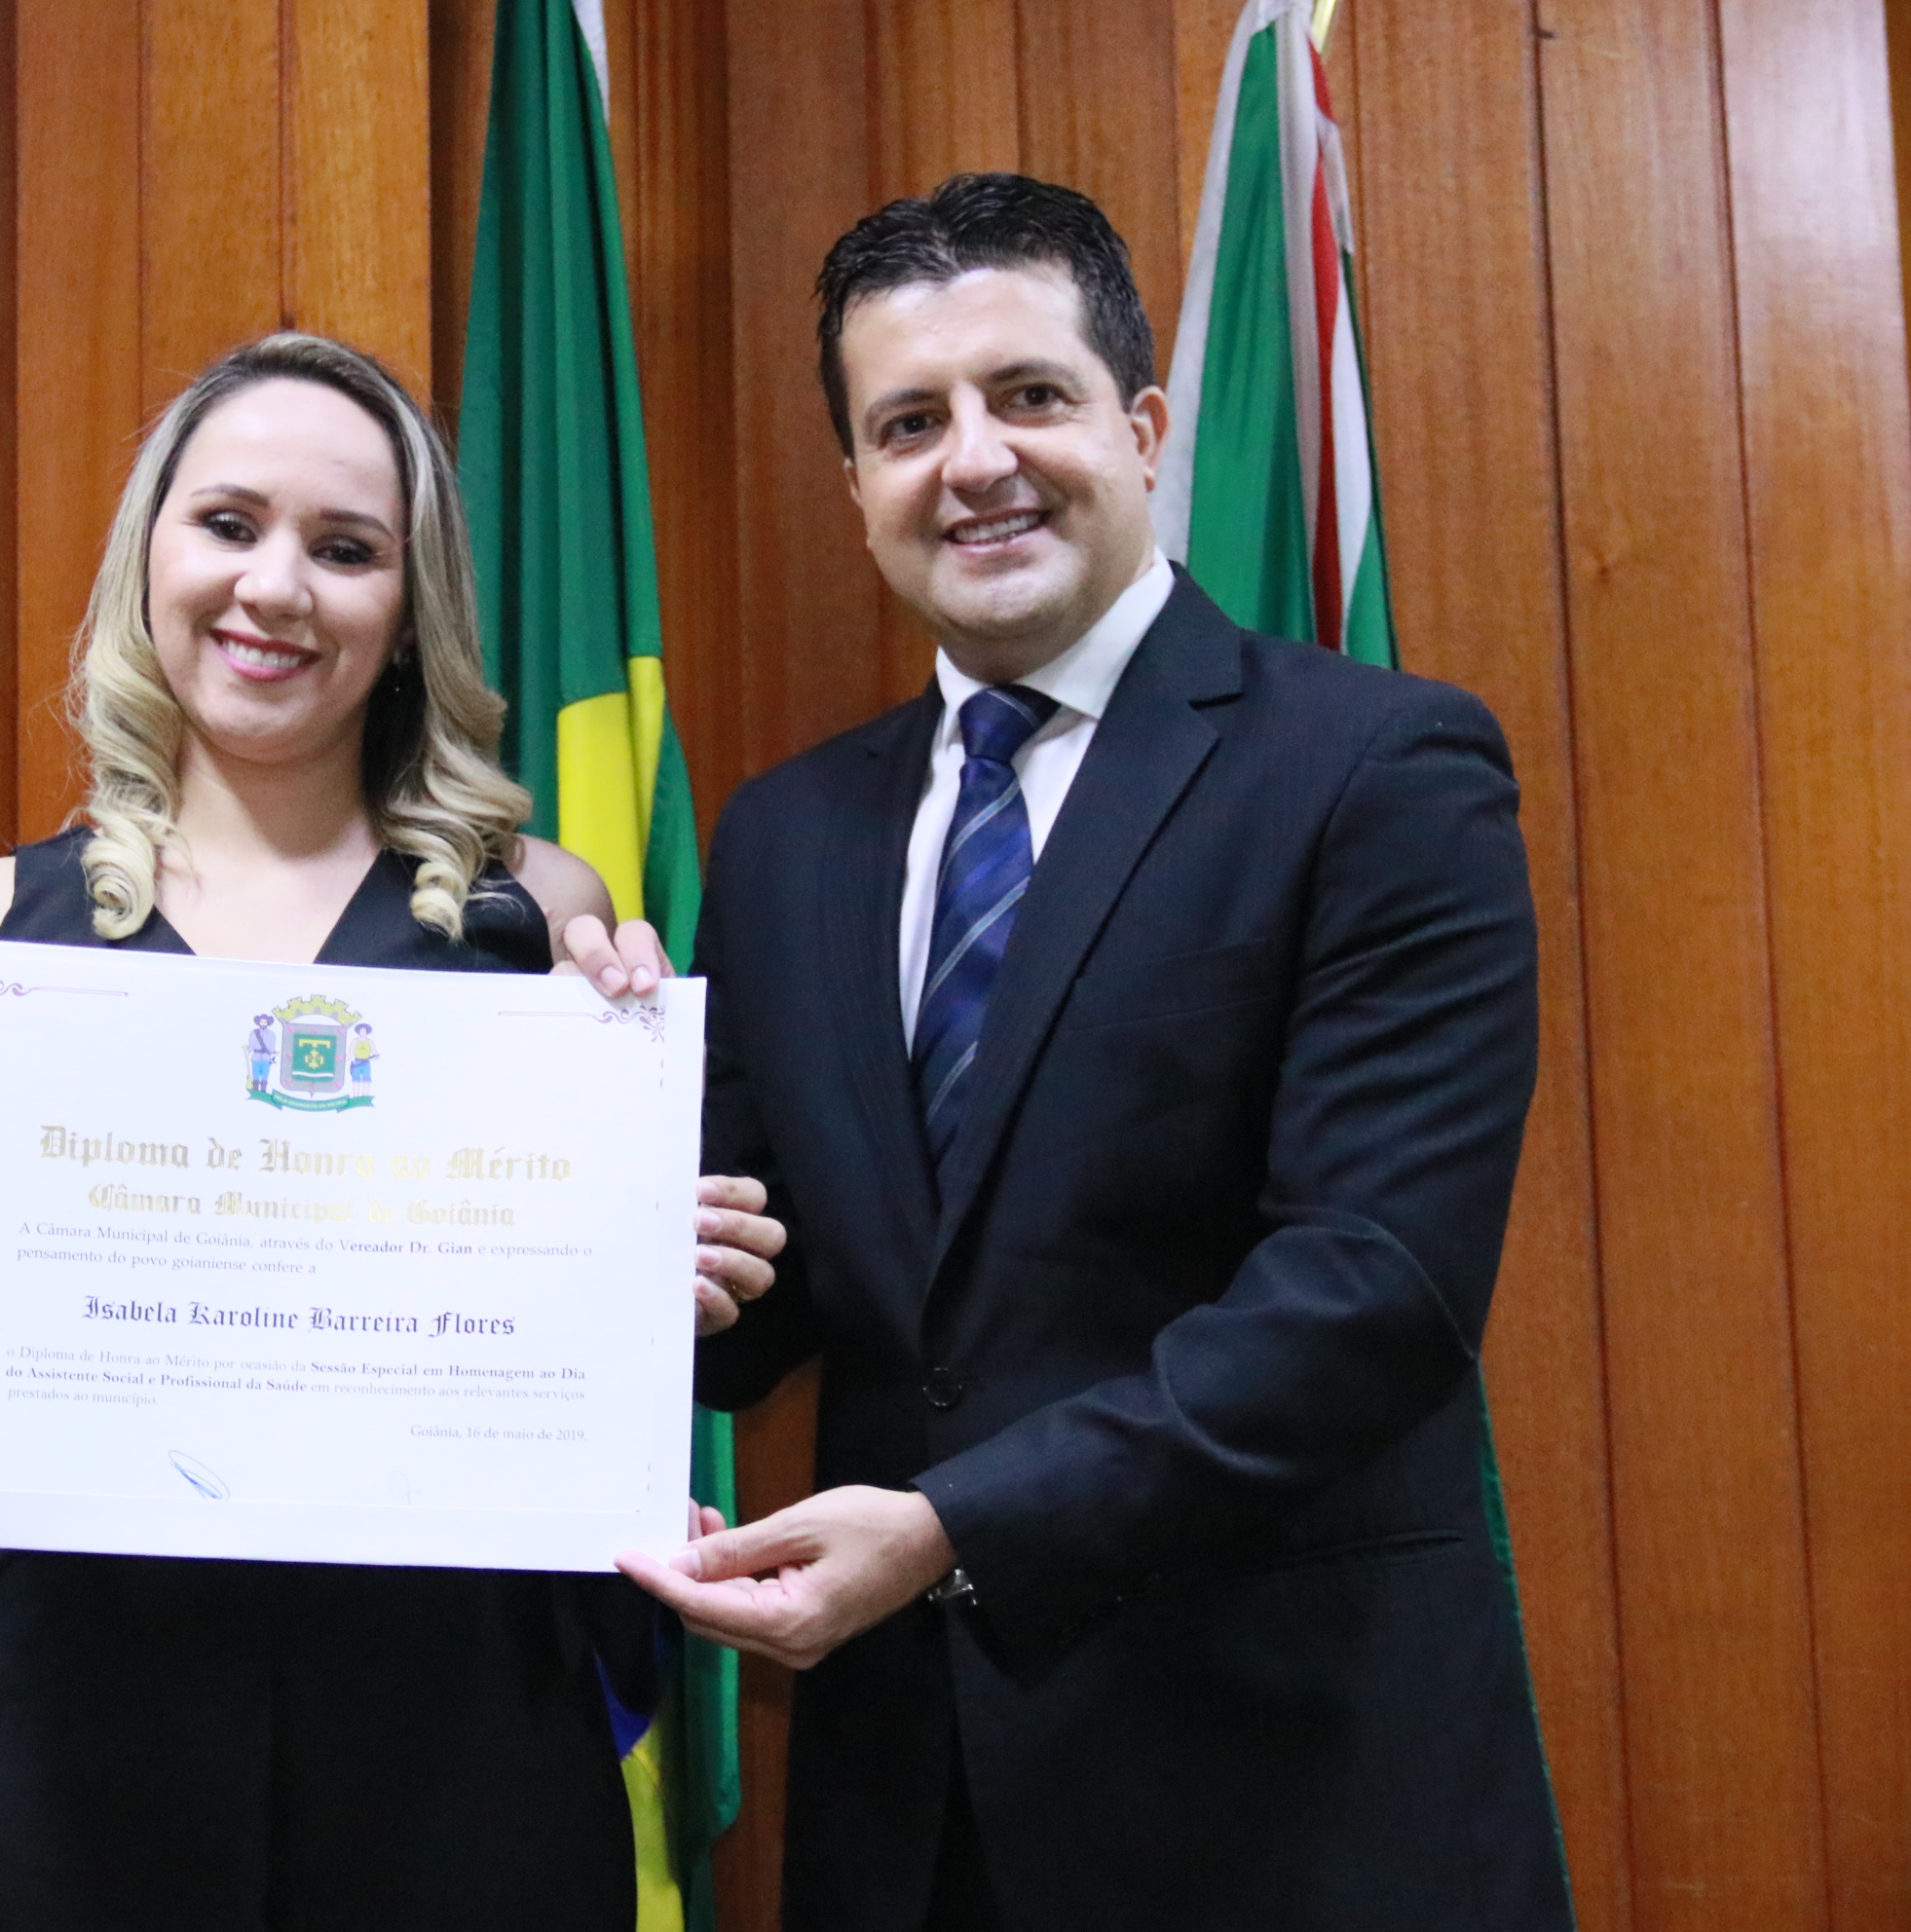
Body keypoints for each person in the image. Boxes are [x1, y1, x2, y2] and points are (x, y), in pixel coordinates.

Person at [584, 175, 1572, 1929]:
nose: (975, 462)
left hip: (1284, 1799)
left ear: (1144, 427)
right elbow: (777, 1298)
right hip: (912, 1814)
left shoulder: (1377, 770)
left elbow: (1376, 1288)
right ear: (857, 486)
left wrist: (956, 1529)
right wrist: (606, 1182)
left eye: (1028, 395)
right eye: (909, 423)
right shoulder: (789, 835)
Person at [0, 331, 784, 1930]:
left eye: (345, 548)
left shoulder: (542, 919)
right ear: (150, 556)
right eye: (228, 524)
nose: (275, 587)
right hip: (84, 1760)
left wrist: (643, 1274)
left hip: (462, 1756)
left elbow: (570, 1344)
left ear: (409, 608)